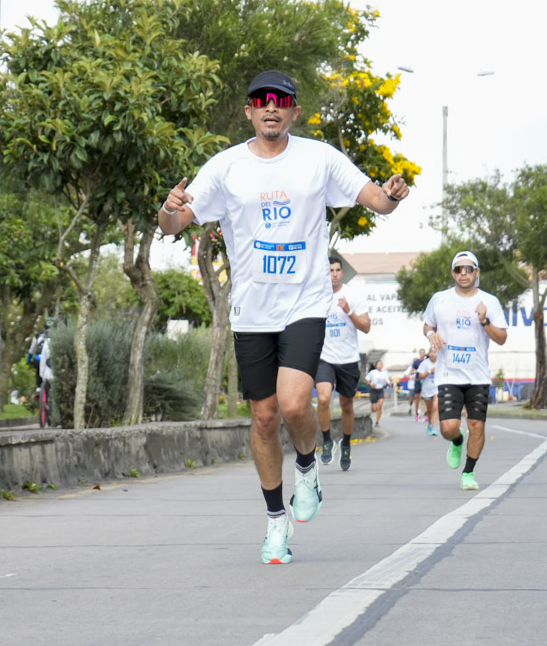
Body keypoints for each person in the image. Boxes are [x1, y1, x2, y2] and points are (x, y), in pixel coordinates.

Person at [157, 69, 409, 565]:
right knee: (264, 417)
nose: (270, 106)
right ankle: (276, 521)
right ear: (249, 111)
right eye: (261, 100)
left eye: (281, 99)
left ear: (294, 110)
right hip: (252, 310)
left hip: (305, 303)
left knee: (295, 405)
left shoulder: (320, 158)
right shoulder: (226, 167)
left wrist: (392, 195)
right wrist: (169, 208)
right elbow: (173, 224)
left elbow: (377, 201)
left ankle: (308, 467)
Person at [423, 250, 509, 491]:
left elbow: (502, 338)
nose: (464, 273)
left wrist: (485, 321)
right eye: (459, 269)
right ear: (453, 273)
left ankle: (469, 472)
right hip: (448, 373)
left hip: (478, 376)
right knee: (448, 427)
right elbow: (427, 324)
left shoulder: (489, 302)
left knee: (477, 426)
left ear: (477, 272)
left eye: (469, 269)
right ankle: (457, 441)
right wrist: (431, 334)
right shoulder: (440, 299)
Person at [316, 256, 370, 472]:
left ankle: (346, 444)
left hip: (348, 359)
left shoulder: (353, 295)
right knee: (323, 398)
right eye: (330, 270)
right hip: (324, 358)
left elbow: (366, 327)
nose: (334, 274)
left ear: (342, 273)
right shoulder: (317, 295)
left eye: (337, 270)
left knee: (347, 405)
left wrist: (348, 311)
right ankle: (327, 440)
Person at [418, 348, 439, 437]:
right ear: (429, 353)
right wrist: (430, 371)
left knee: (435, 407)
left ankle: (434, 427)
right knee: (429, 410)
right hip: (427, 389)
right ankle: (430, 424)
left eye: (435, 352)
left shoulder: (441, 362)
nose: (433, 354)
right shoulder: (424, 363)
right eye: (431, 352)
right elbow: (420, 376)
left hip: (437, 388)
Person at [365, 360, 391, 427]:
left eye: (380, 364)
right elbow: (366, 381)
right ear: (376, 366)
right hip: (373, 390)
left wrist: (388, 383)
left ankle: (377, 422)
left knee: (380, 405)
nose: (379, 366)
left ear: (382, 366)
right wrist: (371, 384)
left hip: (380, 390)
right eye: (378, 364)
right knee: (374, 409)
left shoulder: (384, 373)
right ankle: (373, 408)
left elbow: (389, 383)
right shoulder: (372, 372)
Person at [408, 348, 426, 421]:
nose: (422, 354)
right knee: (417, 398)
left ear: (425, 354)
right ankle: (417, 413)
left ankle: (426, 414)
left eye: (423, 353)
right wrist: (417, 371)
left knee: (426, 398)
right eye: (421, 353)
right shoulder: (416, 362)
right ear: (419, 354)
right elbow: (411, 372)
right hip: (418, 380)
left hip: (425, 381)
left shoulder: (427, 361)